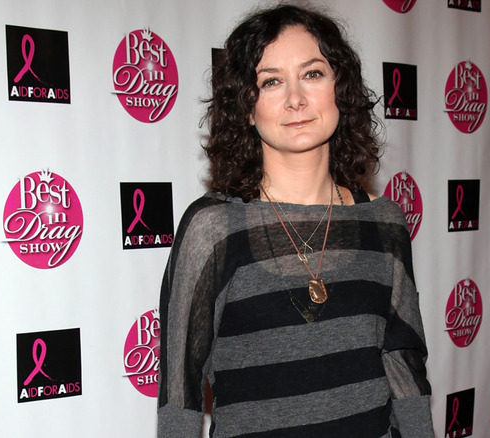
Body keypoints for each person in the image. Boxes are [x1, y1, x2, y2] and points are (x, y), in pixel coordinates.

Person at [157, 4, 433, 437]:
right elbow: (181, 398)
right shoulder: (213, 229)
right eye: (271, 81)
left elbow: (405, 372)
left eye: (313, 74)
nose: (296, 99)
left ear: (340, 88)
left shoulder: (384, 223)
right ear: (246, 108)